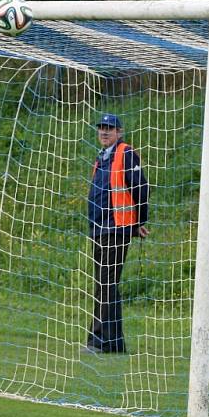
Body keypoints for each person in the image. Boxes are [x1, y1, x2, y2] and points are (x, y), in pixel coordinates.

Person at [85, 113, 149, 354]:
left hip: (116, 228)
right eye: (101, 127)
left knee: (106, 282)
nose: (104, 131)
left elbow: (141, 188)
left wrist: (138, 222)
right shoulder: (102, 158)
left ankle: (99, 340)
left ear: (119, 132)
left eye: (109, 128)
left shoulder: (125, 153)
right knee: (106, 283)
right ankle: (113, 342)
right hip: (100, 228)